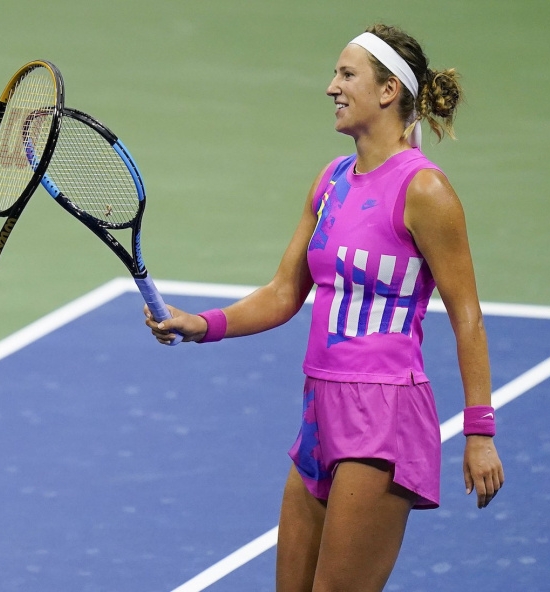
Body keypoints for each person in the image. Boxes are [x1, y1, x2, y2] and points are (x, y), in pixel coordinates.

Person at [147, 24, 504, 591]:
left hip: (383, 414)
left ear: (388, 91)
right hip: (320, 409)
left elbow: (467, 315)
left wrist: (479, 432)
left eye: (346, 74)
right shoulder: (331, 181)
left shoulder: (426, 191)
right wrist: (203, 325)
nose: (330, 86)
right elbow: (284, 293)